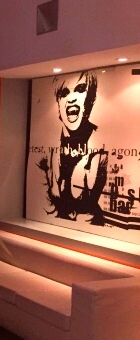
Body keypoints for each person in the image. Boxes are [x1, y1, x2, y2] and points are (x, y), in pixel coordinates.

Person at [38, 70, 108, 225]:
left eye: (80, 89)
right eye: (64, 93)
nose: (71, 98)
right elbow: (41, 206)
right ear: (58, 104)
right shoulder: (47, 149)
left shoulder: (103, 147)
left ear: (91, 99)